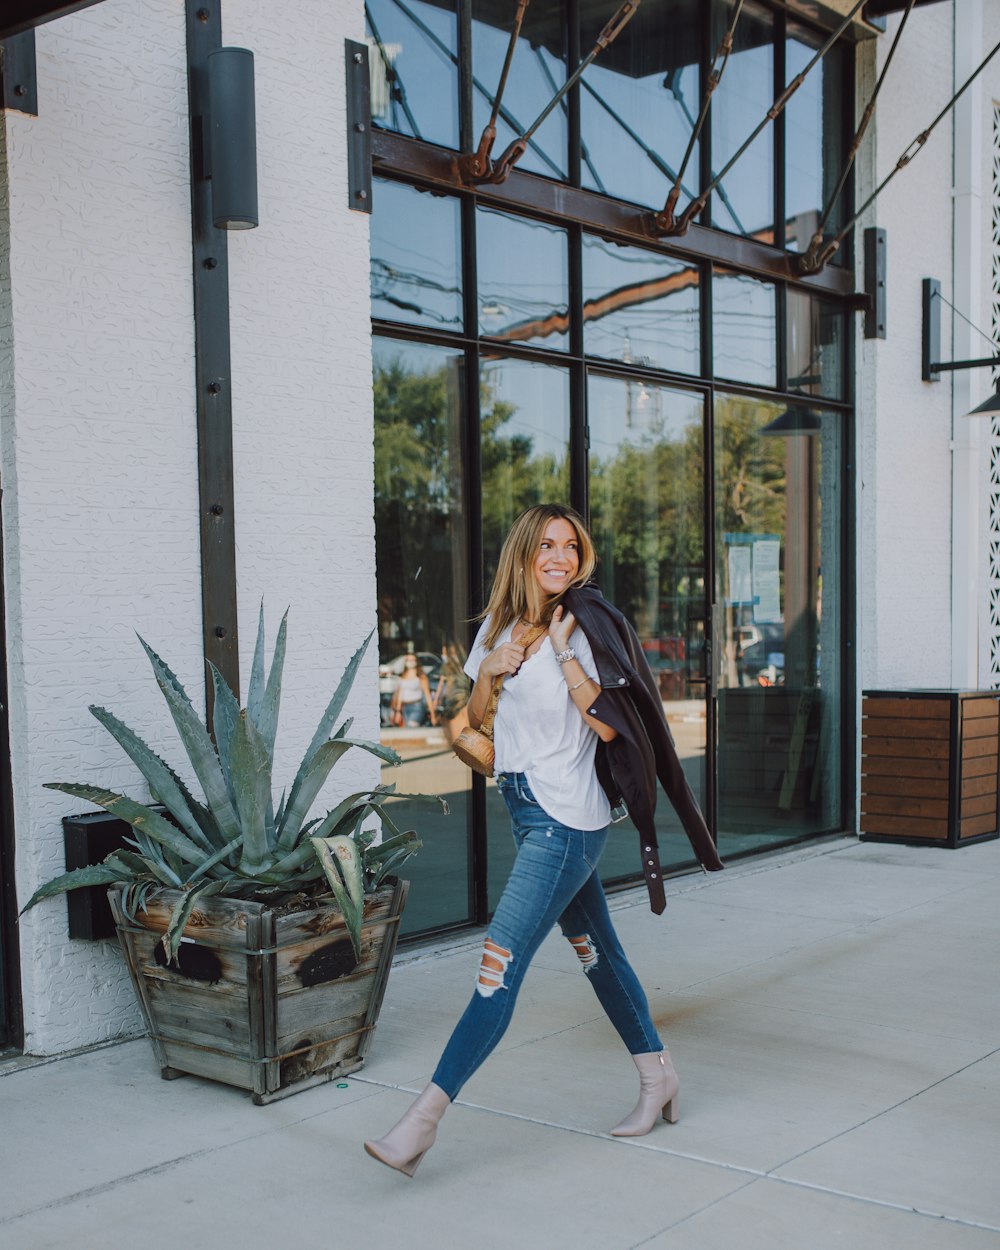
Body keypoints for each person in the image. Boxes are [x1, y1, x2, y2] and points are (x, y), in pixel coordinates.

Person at [364, 503, 723, 1177]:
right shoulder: (499, 627)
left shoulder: (585, 623)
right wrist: (494, 672)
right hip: (528, 809)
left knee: (497, 967)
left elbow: (612, 726)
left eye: (570, 545)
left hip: (566, 820)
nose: (559, 556)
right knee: (599, 955)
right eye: (546, 545)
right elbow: (474, 725)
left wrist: (561, 654)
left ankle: (422, 1123)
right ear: (524, 554)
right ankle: (658, 1077)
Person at [390, 654, 436, 728]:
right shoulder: (403, 676)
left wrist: (433, 715)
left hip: (417, 707)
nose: (410, 662)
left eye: (412, 660)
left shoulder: (421, 676)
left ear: (416, 662)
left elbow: (428, 696)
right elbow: (400, 695)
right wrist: (398, 712)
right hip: (405, 708)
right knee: (407, 732)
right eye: (408, 660)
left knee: (411, 728)